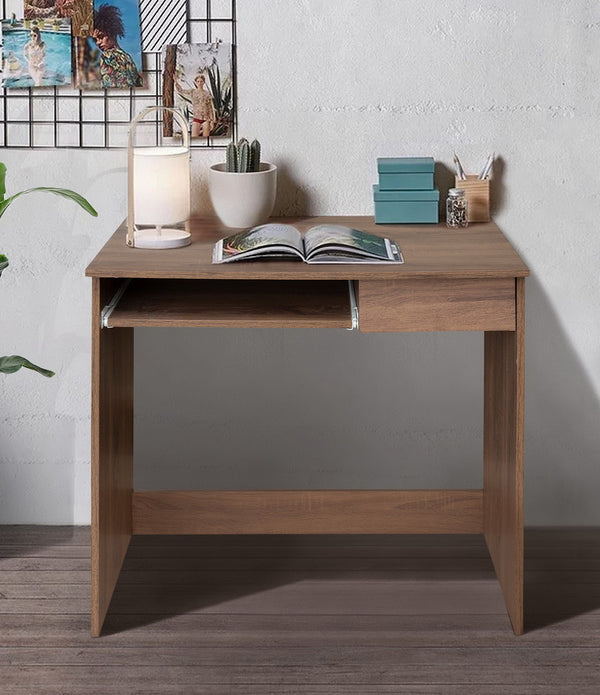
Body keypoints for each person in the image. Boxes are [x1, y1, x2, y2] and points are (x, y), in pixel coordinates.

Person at [92, 4, 142, 88]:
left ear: (112, 33)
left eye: (101, 37)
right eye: (95, 40)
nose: (98, 43)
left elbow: (109, 86)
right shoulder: (127, 57)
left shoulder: (107, 56)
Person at [176, 72, 216, 137]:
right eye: (198, 81)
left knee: (206, 139)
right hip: (196, 118)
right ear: (196, 82)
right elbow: (181, 91)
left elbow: (210, 107)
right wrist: (176, 82)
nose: (199, 83)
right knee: (194, 138)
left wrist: (212, 121)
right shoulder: (193, 91)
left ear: (204, 82)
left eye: (201, 81)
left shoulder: (207, 93)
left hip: (206, 119)